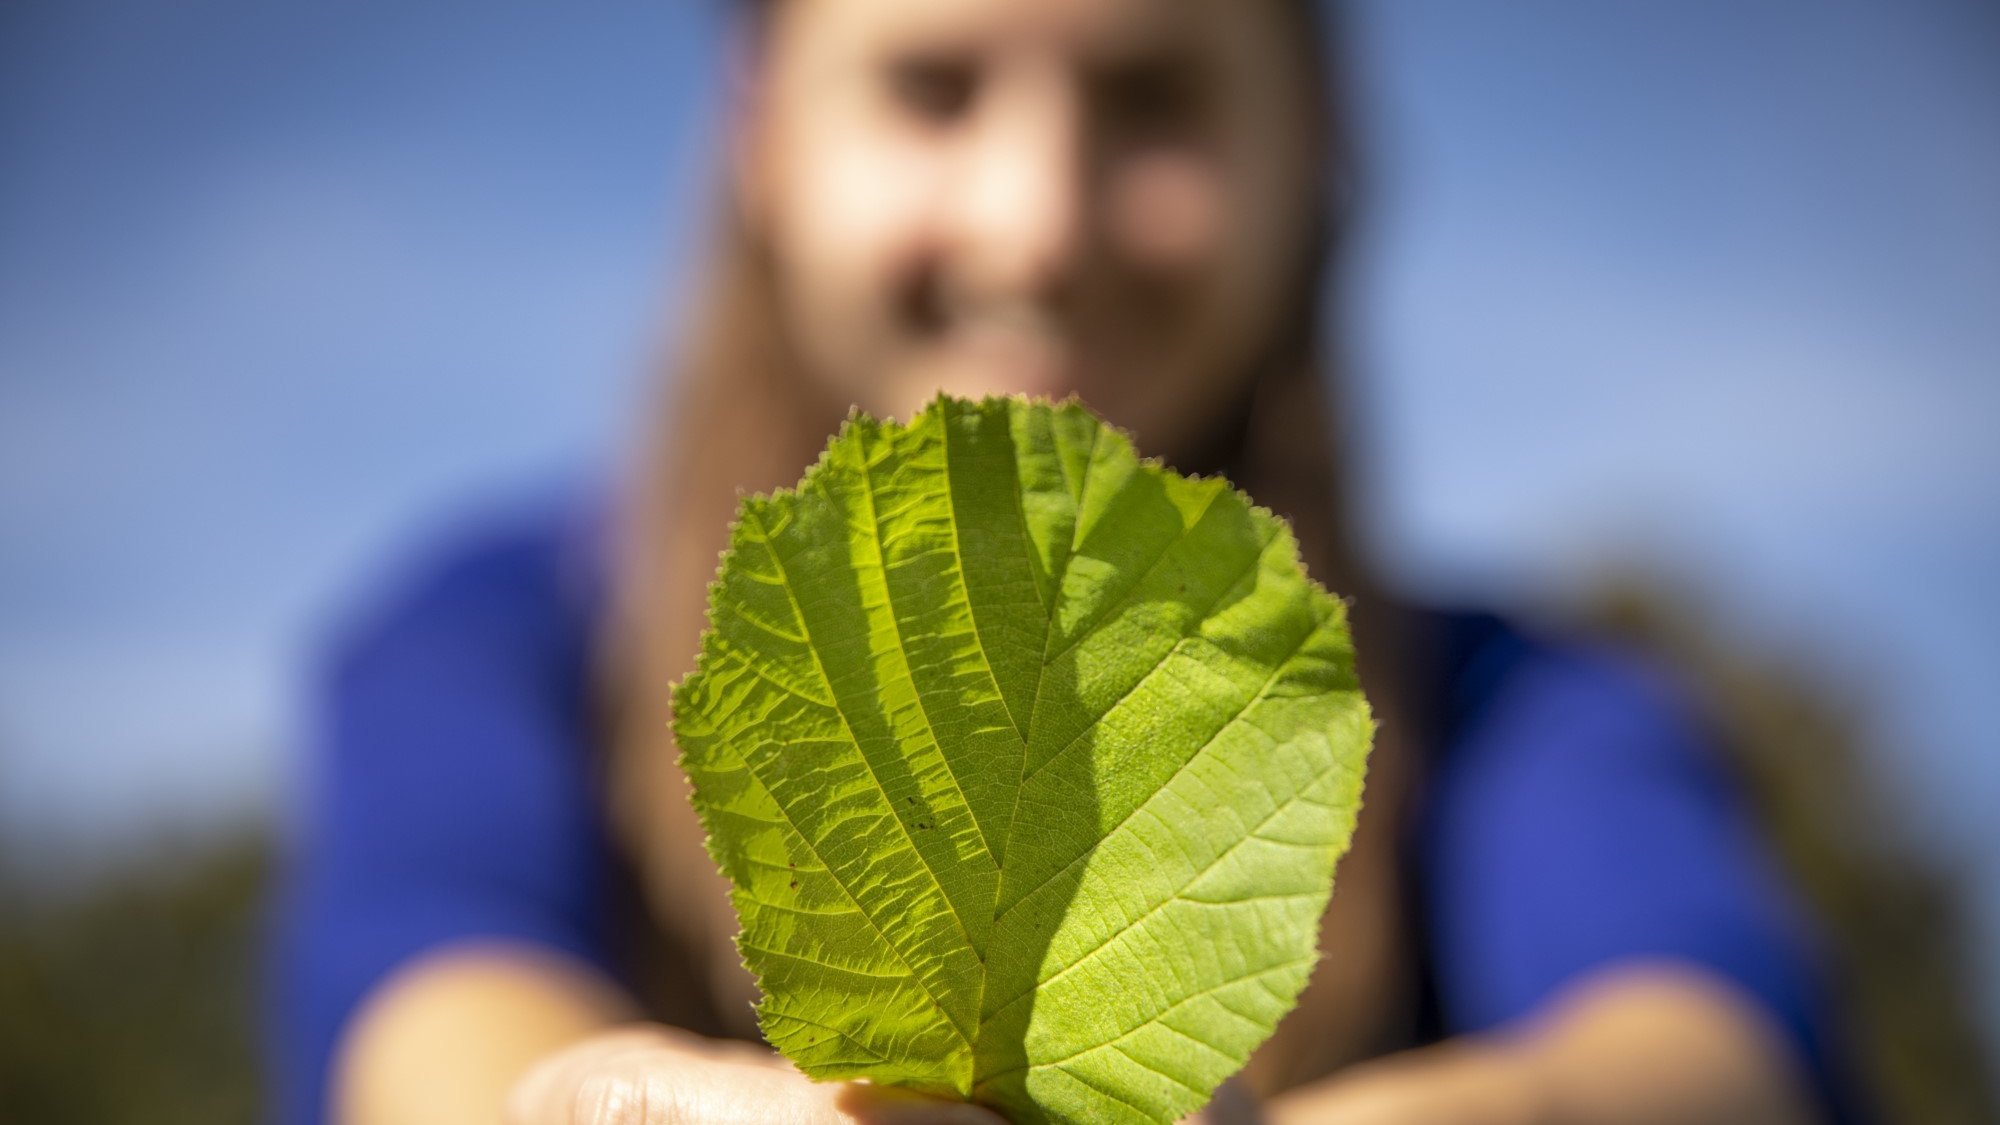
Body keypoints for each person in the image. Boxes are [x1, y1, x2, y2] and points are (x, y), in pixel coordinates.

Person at [274, 1, 1863, 1122]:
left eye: (1154, 95)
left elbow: (1711, 1046)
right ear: (760, 132)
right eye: (932, 85)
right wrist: (579, 1103)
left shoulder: (1522, 711)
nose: (1036, 222)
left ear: (1314, 145)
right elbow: (430, 1004)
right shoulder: (504, 641)